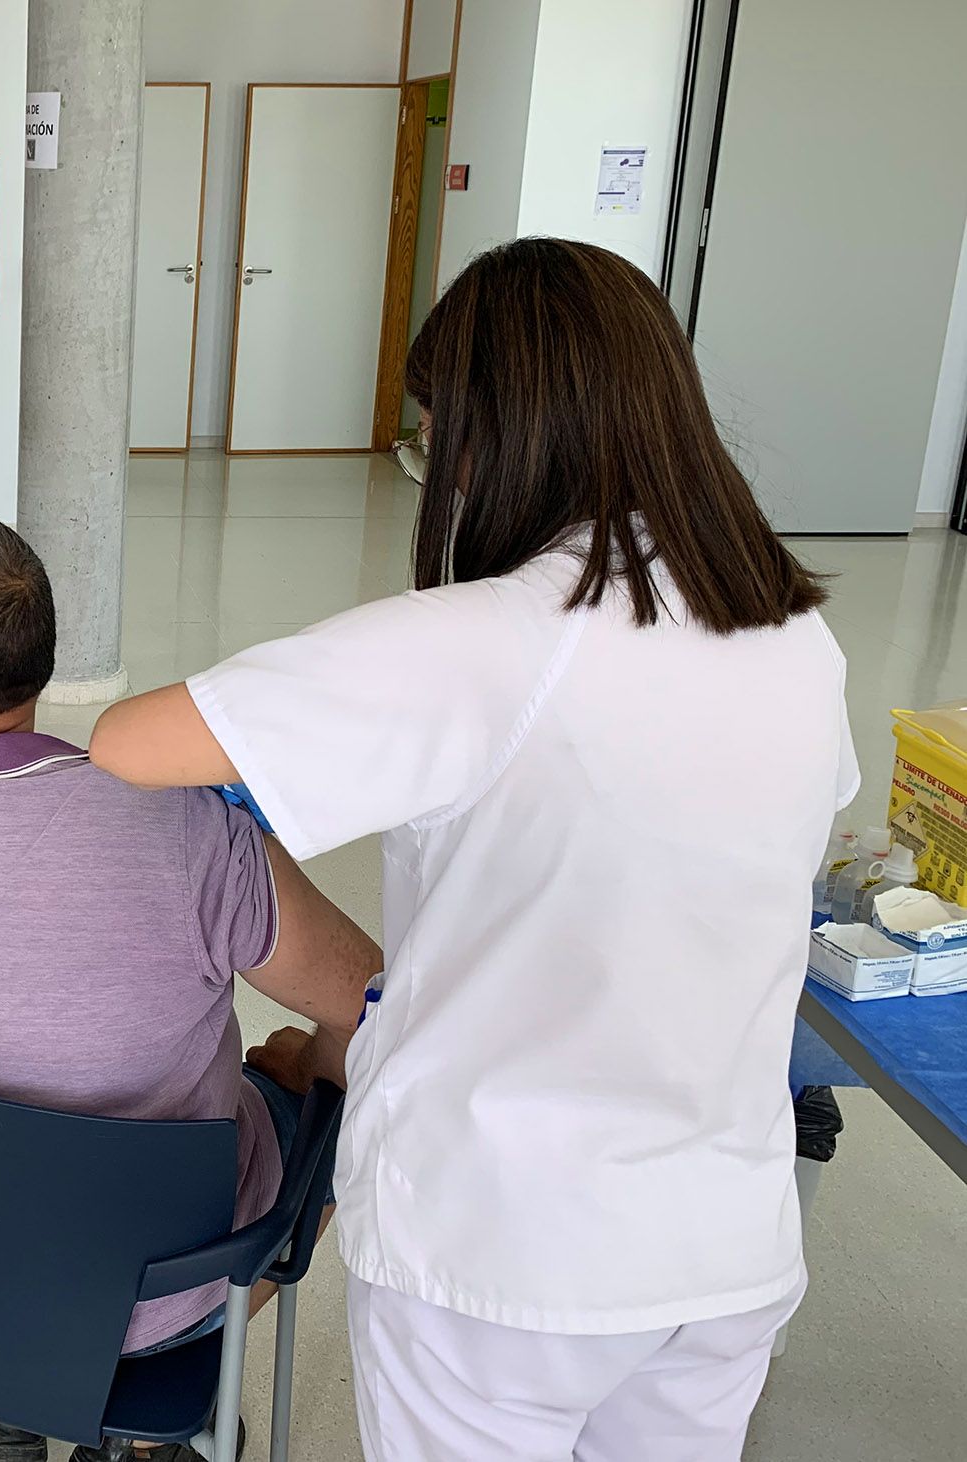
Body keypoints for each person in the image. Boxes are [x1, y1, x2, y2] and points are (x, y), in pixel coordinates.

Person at [90, 239, 857, 1462]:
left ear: (493, 437)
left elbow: (129, 742)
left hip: (500, 1250)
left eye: (432, 437)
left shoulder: (479, 640)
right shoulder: (788, 632)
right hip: (721, 1243)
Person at [0, 510, 381, 1462]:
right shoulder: (176, 828)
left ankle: (12, 1404)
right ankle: (157, 1423)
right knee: (330, 1072)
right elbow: (366, 991)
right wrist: (302, 1063)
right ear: (39, 670)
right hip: (160, 1286)